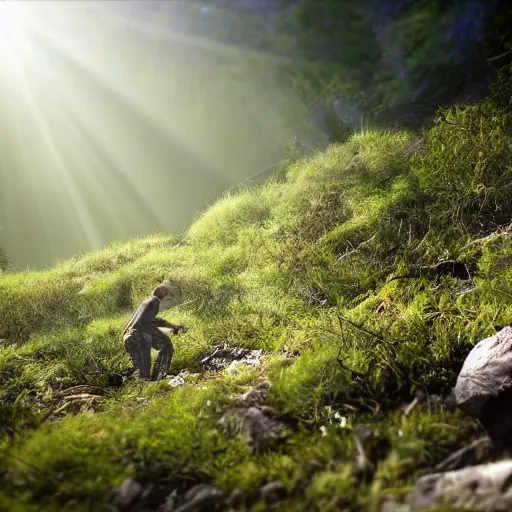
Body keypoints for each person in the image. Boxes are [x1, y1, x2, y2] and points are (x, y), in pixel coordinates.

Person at [123, 284, 187, 381]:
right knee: (166, 346)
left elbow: (144, 321)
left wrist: (170, 327)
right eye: (166, 293)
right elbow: (149, 322)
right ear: (164, 294)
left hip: (129, 337)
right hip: (139, 337)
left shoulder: (145, 303)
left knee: (140, 369)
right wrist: (171, 327)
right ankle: (158, 378)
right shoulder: (154, 302)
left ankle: (138, 384)